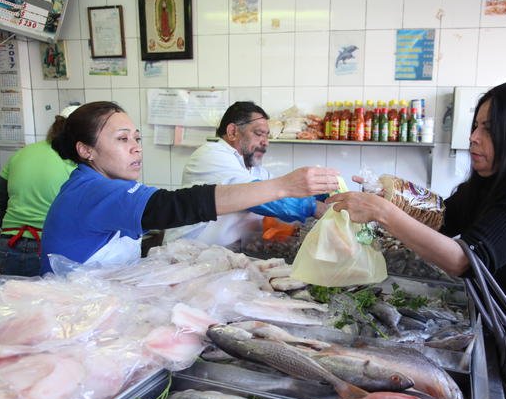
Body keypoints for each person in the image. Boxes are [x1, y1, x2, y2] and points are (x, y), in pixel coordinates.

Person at [328, 81, 506, 343]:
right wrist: (392, 195)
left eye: (489, 129)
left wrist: (383, 212)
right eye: (476, 126)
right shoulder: (490, 182)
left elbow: (465, 261)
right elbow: (442, 219)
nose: (473, 138)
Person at [39, 101, 339, 274]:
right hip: (74, 315)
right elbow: (178, 205)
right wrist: (285, 187)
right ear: (85, 150)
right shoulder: (94, 192)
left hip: (97, 304)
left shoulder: (99, 184)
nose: (136, 149)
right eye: (122, 139)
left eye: (137, 138)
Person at [165, 101, 327, 247]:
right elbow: (259, 198)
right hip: (188, 253)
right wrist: (312, 207)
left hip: (225, 252)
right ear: (233, 131)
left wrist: (324, 196)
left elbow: (282, 193)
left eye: (267, 136)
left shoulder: (253, 168)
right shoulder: (211, 154)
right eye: (259, 133)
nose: (266, 142)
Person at [0, 105, 80, 277]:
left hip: (10, 245)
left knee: (12, 302)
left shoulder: (23, 153)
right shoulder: (73, 160)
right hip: (49, 246)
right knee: (52, 303)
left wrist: (14, 228)